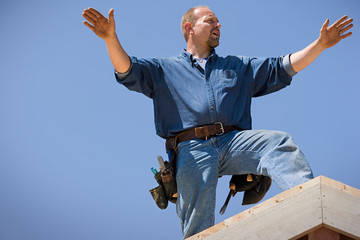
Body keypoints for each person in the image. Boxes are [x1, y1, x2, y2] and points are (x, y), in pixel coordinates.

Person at [82, 6, 353, 238]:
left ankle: (312, 209)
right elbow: (127, 69)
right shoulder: (163, 69)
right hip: (191, 149)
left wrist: (320, 45)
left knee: (277, 142)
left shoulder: (237, 66)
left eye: (218, 21)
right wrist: (110, 38)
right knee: (198, 226)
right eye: (210, 20)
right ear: (190, 27)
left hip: (233, 141)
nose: (218, 25)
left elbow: (281, 67)